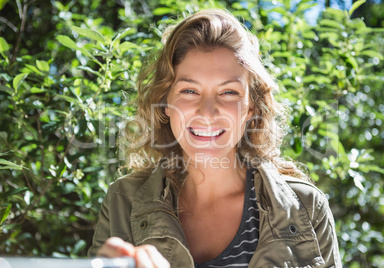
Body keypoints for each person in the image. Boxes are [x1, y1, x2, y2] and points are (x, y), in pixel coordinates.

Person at [88, 8, 341, 268]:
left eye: (228, 92)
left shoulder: (307, 208)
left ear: (251, 107)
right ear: (165, 102)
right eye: (189, 90)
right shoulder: (123, 200)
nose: (207, 112)